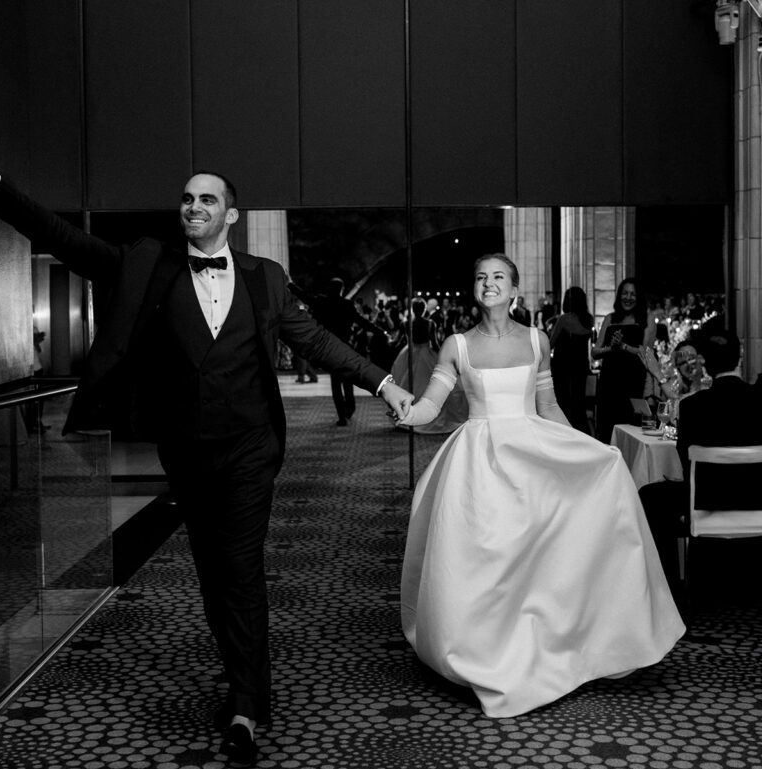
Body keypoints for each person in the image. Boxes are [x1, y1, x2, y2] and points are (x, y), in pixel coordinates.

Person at [0, 106, 413, 765]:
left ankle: (246, 704)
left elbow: (319, 342)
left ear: (231, 214)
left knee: (240, 567)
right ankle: (244, 676)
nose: (193, 207)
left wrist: (384, 383)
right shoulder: (148, 263)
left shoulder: (264, 277)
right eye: (187, 198)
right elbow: (63, 238)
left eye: (206, 199)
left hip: (251, 447)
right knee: (214, 570)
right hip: (187, 449)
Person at [395, 253, 684, 718]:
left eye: (498, 277)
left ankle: (544, 648)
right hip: (479, 462)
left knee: (534, 556)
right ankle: (488, 654)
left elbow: (547, 407)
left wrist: (584, 451)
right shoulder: (457, 346)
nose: (488, 283)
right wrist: (407, 410)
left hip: (531, 456)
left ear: (514, 290)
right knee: (489, 557)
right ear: (475, 288)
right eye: (481, 277)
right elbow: (431, 405)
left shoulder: (536, 340)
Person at [638, 328, 762, 600]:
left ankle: (669, 591)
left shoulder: (693, 408)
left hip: (707, 502)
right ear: (740, 357)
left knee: (649, 496)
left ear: (706, 364)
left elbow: (686, 464)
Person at [289, 277, 378, 426]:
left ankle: (342, 415)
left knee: (335, 383)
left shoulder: (322, 302)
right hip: (345, 346)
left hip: (329, 347)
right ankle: (350, 408)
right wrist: (380, 331)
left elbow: (305, 297)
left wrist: (290, 284)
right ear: (341, 290)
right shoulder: (346, 305)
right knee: (347, 381)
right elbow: (362, 322)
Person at [390, 298, 467, 434]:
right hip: (427, 354)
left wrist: (389, 341)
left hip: (409, 354)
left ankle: (406, 416)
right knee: (431, 384)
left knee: (407, 383)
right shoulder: (430, 324)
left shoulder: (405, 323)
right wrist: (444, 355)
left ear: (413, 309)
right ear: (424, 309)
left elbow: (396, 341)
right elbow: (435, 343)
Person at [592, 278, 648, 443]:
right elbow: (594, 352)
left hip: (633, 384)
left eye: (632, 294)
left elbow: (647, 354)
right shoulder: (610, 318)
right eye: (625, 293)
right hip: (609, 384)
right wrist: (611, 348)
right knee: (607, 432)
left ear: (638, 297)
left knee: (631, 434)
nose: (628, 297)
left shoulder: (646, 320)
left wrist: (623, 346)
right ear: (619, 296)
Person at [549, 286, 594, 434]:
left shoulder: (564, 319)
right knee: (578, 404)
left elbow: (550, 343)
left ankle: (562, 435)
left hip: (562, 368)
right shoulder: (589, 320)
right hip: (580, 367)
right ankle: (581, 435)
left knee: (562, 404)